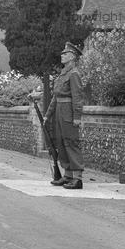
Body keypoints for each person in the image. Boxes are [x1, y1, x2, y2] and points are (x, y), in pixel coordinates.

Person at [43, 42, 86, 189]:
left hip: (68, 111)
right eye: (62, 53)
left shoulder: (74, 74)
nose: (62, 56)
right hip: (59, 112)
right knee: (61, 143)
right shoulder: (63, 74)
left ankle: (77, 178)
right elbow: (55, 97)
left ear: (72, 57)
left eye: (65, 54)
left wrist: (77, 116)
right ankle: (68, 175)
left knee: (71, 143)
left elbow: (77, 97)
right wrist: (47, 115)